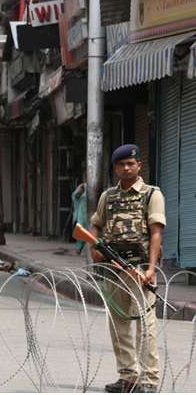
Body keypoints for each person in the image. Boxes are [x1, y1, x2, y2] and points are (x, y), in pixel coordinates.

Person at [89, 144, 165, 393]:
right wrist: (95, 249)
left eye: (131, 163)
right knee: (118, 323)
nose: (126, 168)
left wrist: (151, 269)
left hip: (140, 267)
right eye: (121, 164)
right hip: (113, 268)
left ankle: (149, 379)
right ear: (115, 168)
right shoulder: (107, 197)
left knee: (146, 324)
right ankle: (128, 377)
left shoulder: (152, 194)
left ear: (139, 166)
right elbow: (96, 225)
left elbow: (156, 233)